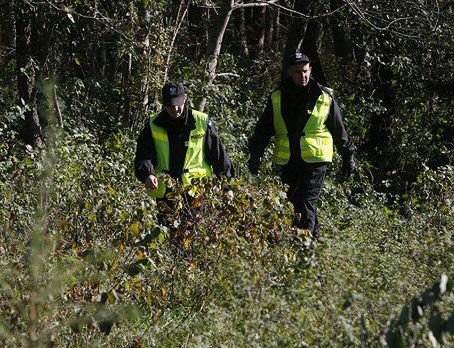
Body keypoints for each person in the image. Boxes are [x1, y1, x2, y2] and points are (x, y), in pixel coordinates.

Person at [248, 53, 356, 236]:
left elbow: (339, 130)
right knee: (294, 203)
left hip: (316, 160)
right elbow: (264, 128)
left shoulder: (323, 96)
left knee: (306, 201)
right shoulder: (277, 97)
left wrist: (348, 156)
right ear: (290, 72)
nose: (302, 76)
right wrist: (256, 154)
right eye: (298, 72)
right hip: (289, 159)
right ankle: (314, 243)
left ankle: (305, 250)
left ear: (310, 70)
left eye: (305, 71)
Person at [134, 81, 235, 223]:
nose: (175, 109)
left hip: (196, 190)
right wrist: (148, 174)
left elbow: (219, 157)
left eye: (178, 104)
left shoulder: (201, 121)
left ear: (185, 98)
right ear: (163, 103)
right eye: (170, 105)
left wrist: (227, 187)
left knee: (193, 235)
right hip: (166, 192)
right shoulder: (153, 124)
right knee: (170, 234)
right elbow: (144, 155)